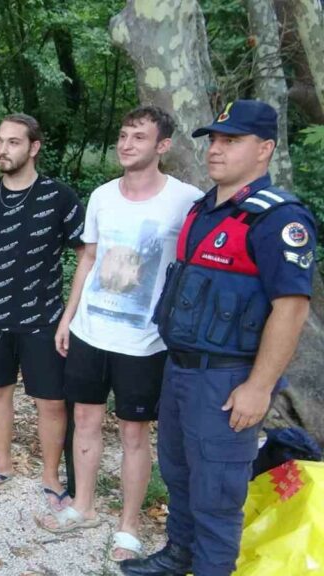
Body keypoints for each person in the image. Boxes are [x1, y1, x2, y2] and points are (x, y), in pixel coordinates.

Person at [121, 101, 316, 576]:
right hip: (180, 370)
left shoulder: (278, 220)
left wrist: (259, 387)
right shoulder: (204, 210)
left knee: (217, 493)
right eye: (214, 139)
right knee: (179, 472)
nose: (216, 149)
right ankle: (179, 555)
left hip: (227, 380)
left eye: (232, 141)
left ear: (264, 149)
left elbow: (291, 309)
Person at [35, 106, 203, 563]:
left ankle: (129, 527)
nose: (127, 144)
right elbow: (88, 258)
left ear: (163, 145)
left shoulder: (186, 200)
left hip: (145, 341)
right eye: (124, 135)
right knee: (85, 420)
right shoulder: (103, 195)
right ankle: (83, 506)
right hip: (91, 331)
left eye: (139, 137)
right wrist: (68, 317)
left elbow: (191, 268)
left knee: (134, 433)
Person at [0, 114, 84, 510]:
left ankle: (51, 476)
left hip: (43, 316)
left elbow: (87, 254)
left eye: (13, 142)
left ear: (34, 147)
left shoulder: (59, 197)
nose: (2, 149)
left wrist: (69, 315)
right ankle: (2, 463)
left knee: (51, 401)